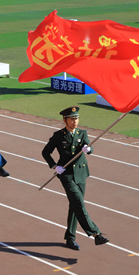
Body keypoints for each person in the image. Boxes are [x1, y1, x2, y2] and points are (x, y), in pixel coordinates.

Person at [41, 106, 109, 251]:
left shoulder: (82, 133)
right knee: (78, 202)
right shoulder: (58, 136)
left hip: (81, 173)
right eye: (72, 119)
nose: (75, 121)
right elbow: (45, 152)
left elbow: (90, 147)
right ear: (65, 120)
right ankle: (96, 234)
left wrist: (88, 149)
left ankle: (70, 238)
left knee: (75, 206)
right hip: (66, 175)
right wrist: (55, 166)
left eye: (76, 118)